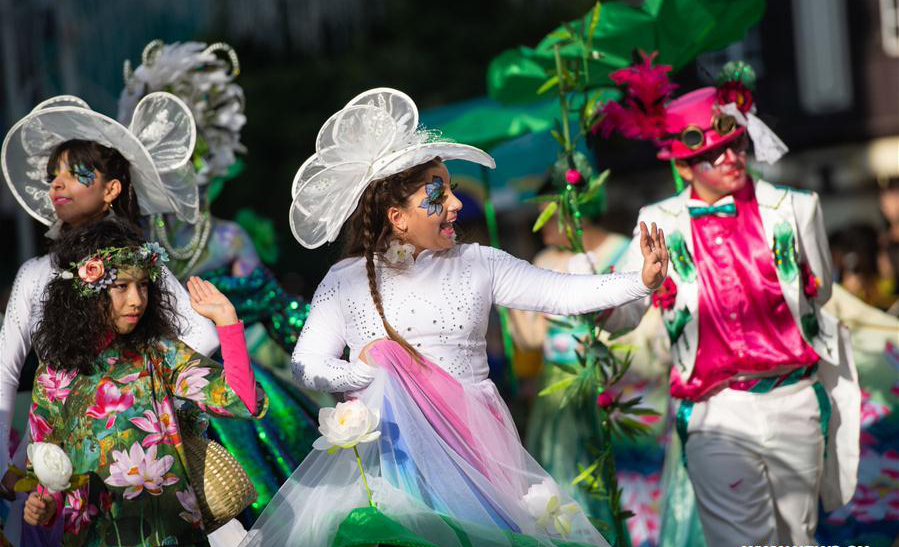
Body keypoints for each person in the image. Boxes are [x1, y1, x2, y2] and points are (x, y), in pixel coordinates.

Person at [240, 87, 668, 547]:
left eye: (451, 191)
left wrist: (640, 280)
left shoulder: (479, 263)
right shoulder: (346, 280)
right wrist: (365, 371)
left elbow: (560, 292)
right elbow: (306, 364)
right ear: (397, 217)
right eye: (437, 194)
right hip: (392, 455)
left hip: (475, 447)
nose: (455, 204)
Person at [598, 57, 860, 544]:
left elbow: (819, 291)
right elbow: (626, 313)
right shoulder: (659, 222)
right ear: (683, 164)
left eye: (735, 144)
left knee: (798, 537)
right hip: (715, 411)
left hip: (794, 398)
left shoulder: (796, 209)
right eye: (713, 153)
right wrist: (597, 299)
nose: (731, 158)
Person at [0, 93, 220, 545]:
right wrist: (6, 462)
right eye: (52, 175)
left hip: (134, 465)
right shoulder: (34, 273)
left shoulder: (135, 265)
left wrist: (140, 393)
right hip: (48, 472)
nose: (58, 184)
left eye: (77, 173)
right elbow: (5, 370)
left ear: (112, 189)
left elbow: (203, 334)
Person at [118, 40, 321, 518]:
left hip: (235, 391)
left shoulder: (229, 239)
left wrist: (341, 345)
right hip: (157, 395)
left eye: (197, 157)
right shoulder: (130, 239)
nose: (189, 172)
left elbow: (278, 310)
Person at [21, 220, 267, 545]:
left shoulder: (159, 352)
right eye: (121, 286)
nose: (137, 300)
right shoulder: (54, 374)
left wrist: (227, 322)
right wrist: (43, 505)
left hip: (170, 534)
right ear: (86, 291)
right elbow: (47, 462)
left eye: (143, 286)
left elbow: (244, 400)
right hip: (94, 535)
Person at [506, 176, 670, 546]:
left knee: (624, 480)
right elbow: (534, 339)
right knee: (568, 481)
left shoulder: (625, 252)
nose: (542, 228)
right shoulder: (544, 261)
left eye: (549, 217)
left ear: (575, 214)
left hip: (616, 385)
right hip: (561, 392)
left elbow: (642, 327)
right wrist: (511, 307)